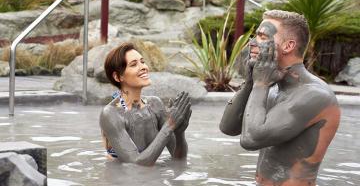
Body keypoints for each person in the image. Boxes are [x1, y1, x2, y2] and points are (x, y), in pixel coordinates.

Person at [219, 10, 341, 186]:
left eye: (262, 36)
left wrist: (261, 84)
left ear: (288, 46)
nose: (251, 42)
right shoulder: (273, 85)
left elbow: (250, 140)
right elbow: (228, 127)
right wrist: (251, 82)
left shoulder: (314, 95)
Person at [99, 42, 192, 166]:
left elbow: (179, 158)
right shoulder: (111, 114)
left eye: (142, 62)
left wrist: (179, 133)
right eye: (134, 64)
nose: (143, 67)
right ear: (118, 77)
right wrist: (169, 125)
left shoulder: (155, 104)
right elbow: (135, 164)